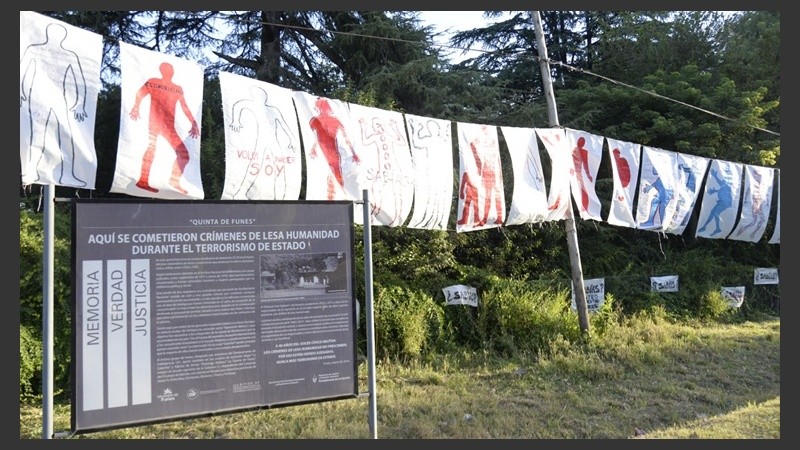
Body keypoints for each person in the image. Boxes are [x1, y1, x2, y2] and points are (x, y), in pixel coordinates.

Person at [20, 22, 89, 187]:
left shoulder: (69, 55)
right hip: (38, 100)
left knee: (66, 137)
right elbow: (22, 72)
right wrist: (21, 93)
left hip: (59, 101)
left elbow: (79, 81)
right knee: (36, 136)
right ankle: (31, 170)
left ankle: (68, 174)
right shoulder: (34, 50)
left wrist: (80, 104)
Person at [130, 62, 200, 195]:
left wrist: (194, 123)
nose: (169, 72)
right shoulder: (153, 82)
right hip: (155, 123)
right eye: (167, 69)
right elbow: (140, 93)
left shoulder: (177, 88)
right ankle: (143, 180)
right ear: (162, 71)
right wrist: (135, 107)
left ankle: (174, 180)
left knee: (183, 153)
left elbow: (184, 107)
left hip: (169, 126)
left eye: (171, 69)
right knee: (151, 149)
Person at [228, 85, 295, 199]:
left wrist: (292, 140)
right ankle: (240, 192)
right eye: (256, 95)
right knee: (254, 165)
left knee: (279, 166)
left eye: (260, 95)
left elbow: (283, 124)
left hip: (273, 141)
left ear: (264, 97)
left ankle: (280, 196)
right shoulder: (252, 105)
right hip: (261, 140)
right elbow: (238, 105)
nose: (258, 98)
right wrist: (235, 121)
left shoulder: (272, 110)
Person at [308, 97, 360, 200]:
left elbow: (345, 138)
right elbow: (314, 137)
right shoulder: (317, 120)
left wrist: (354, 153)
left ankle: (336, 199)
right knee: (329, 175)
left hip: (331, 153)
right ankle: (332, 199)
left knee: (335, 175)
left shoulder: (322, 120)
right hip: (325, 153)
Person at [697, 166, 733, 236]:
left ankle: (717, 229)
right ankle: (705, 227)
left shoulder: (728, 184)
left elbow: (724, 187)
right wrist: (715, 176)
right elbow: (720, 184)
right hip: (722, 201)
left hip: (725, 202)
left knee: (716, 213)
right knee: (712, 212)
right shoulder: (724, 184)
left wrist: (715, 176)